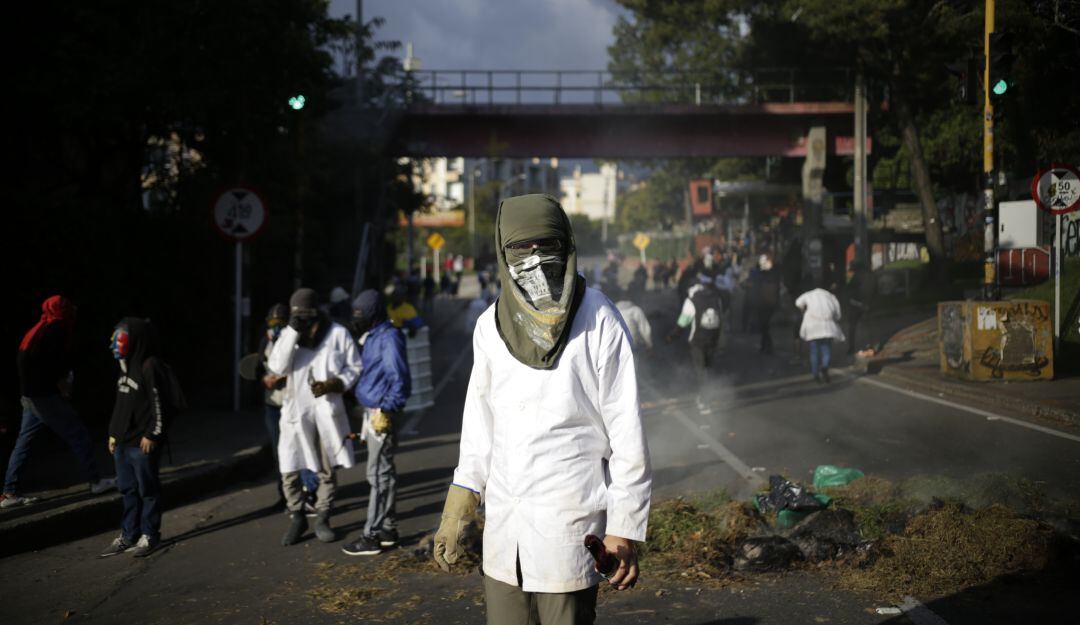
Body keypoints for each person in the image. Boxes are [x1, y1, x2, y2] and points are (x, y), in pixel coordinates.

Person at [432, 194, 652, 625]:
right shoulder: (490, 325)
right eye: (520, 249)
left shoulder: (600, 319)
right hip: (504, 528)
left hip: (568, 526)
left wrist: (623, 530)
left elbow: (628, 436)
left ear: (566, 244)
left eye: (545, 245)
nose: (533, 260)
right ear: (502, 252)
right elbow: (480, 426)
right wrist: (460, 501)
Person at [268, 288, 362, 546]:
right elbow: (276, 366)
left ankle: (322, 515)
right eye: (297, 315)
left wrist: (336, 384)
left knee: (326, 467)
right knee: (289, 467)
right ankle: (297, 515)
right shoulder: (290, 335)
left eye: (306, 314)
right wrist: (291, 332)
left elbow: (355, 366)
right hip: (295, 412)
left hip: (325, 411)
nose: (303, 318)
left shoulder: (337, 334)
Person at [3, 296, 114, 509]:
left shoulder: (38, 329)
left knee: (24, 443)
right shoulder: (56, 329)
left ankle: (9, 491)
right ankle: (96, 481)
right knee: (78, 433)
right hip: (43, 397)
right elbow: (54, 363)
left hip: (30, 396)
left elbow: (28, 363)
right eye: (66, 306)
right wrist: (61, 384)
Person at [100, 318, 183, 558]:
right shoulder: (125, 366)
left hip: (142, 443)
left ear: (134, 340)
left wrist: (153, 434)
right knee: (127, 489)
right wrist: (113, 433)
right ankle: (128, 534)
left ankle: (150, 534)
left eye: (119, 339)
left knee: (148, 489)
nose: (113, 345)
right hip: (123, 443)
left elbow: (161, 404)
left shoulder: (150, 366)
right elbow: (121, 404)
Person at [341, 290, 411, 556]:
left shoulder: (389, 338)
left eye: (361, 314)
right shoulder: (373, 337)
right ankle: (388, 529)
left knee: (378, 475)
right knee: (384, 473)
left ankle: (371, 535)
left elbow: (400, 380)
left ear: (374, 314)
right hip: (373, 411)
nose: (356, 319)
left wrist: (386, 411)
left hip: (381, 413)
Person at [258, 304, 319, 513]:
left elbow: (304, 368)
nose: (275, 328)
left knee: (303, 449)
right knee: (280, 453)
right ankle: (285, 495)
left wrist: (283, 376)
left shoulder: (296, 342)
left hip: (293, 404)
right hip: (272, 405)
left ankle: (310, 493)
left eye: (279, 323)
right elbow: (258, 366)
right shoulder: (266, 341)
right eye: (272, 323)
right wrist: (264, 378)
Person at [672, 274, 724, 414]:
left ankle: (705, 403)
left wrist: (672, 336)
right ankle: (705, 396)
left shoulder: (691, 300)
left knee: (701, 372)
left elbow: (683, 322)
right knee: (709, 369)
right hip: (713, 339)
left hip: (698, 341)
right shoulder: (716, 298)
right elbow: (721, 318)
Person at [795, 283, 845, 383]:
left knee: (814, 351)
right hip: (828, 327)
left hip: (813, 327)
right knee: (826, 350)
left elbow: (798, 302)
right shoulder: (831, 297)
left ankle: (815, 374)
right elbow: (838, 314)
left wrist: (804, 309)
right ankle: (825, 367)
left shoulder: (808, 295)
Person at [750, 254, 780, 354]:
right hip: (763, 304)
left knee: (765, 326)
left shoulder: (771, 275)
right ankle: (765, 346)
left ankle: (767, 346)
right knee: (764, 326)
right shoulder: (762, 275)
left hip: (767, 304)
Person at [615, 287, 653, 353]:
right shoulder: (635, 310)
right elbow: (645, 328)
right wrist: (649, 344)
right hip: (632, 344)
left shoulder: (611, 310)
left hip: (615, 345)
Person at [844, 262, 870, 355]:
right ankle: (866, 346)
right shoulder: (866, 278)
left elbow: (849, 294)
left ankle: (852, 348)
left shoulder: (855, 279)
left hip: (855, 307)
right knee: (864, 327)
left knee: (853, 329)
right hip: (862, 306)